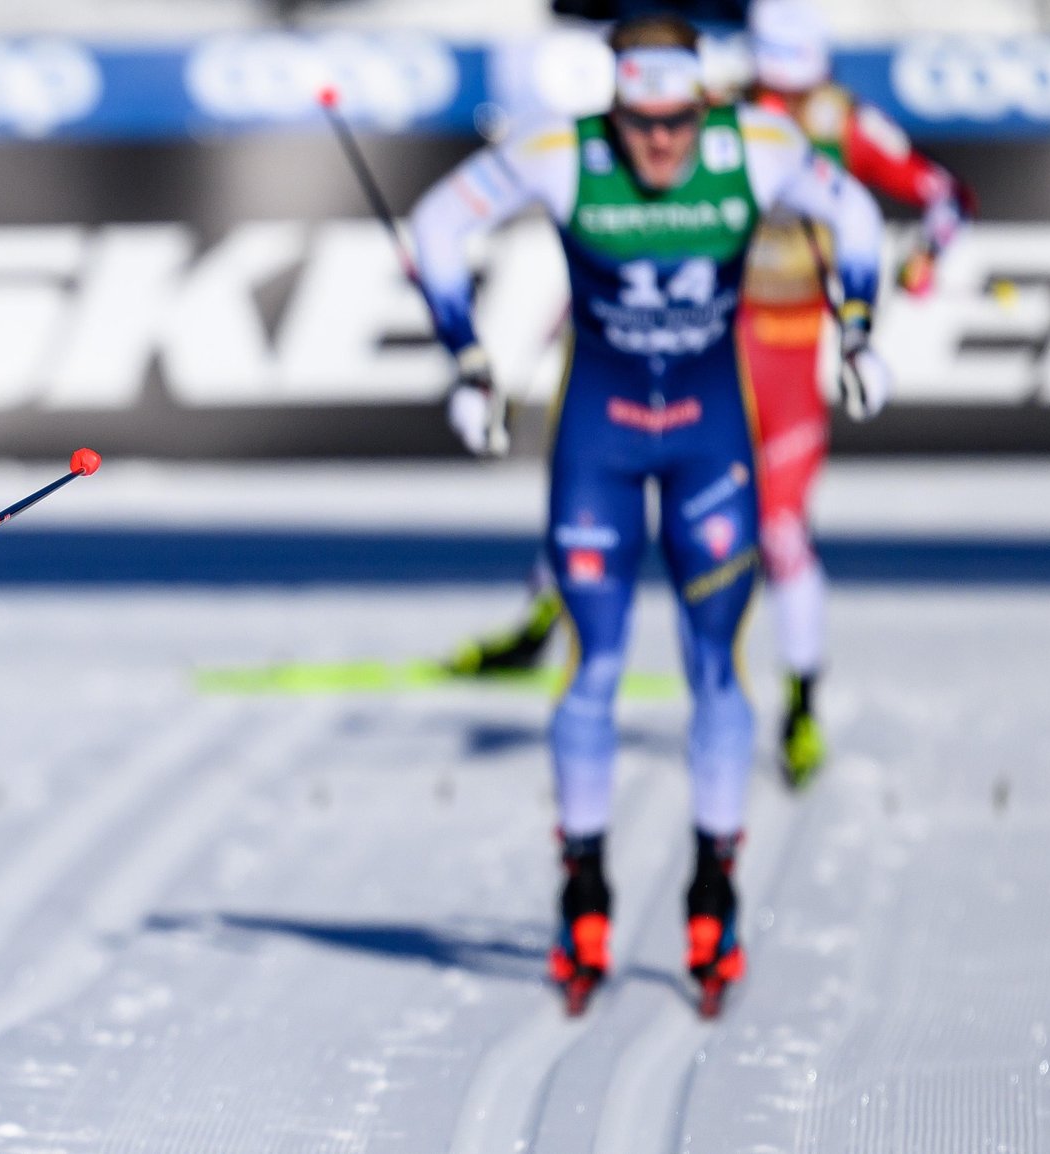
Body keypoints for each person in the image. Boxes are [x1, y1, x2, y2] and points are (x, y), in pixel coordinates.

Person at [409, 14, 886, 1016]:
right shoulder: (559, 148)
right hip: (599, 441)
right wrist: (464, 352)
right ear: (613, 102)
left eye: (675, 122)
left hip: (712, 439)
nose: (659, 145)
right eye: (639, 123)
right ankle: (580, 882)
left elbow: (859, 219)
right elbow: (436, 223)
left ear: (702, 103)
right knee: (591, 661)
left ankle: (713, 883)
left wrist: (856, 328)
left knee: (716, 662)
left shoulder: (753, 145)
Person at [742, 0, 972, 785]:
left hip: (796, 352)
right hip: (720, 347)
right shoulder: (727, 115)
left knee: (780, 533)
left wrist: (923, 260)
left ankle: (802, 696)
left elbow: (947, 197)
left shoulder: (846, 120)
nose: (787, 104)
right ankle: (549, 611)